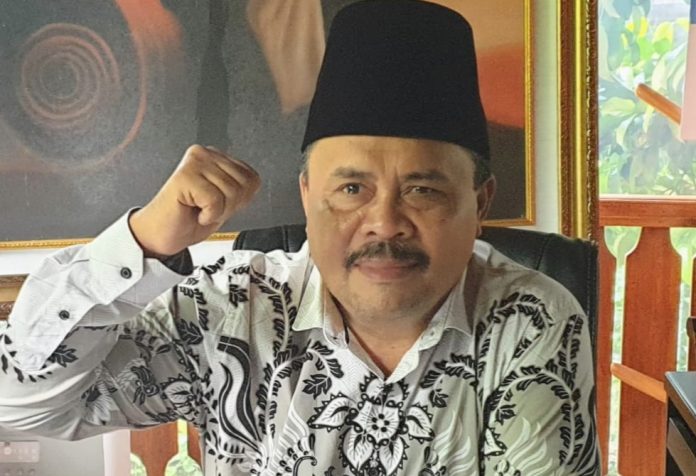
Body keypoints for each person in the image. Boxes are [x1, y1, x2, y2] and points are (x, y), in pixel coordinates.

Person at [0, 1, 599, 474]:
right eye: (351, 189)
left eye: (423, 190)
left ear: (480, 203)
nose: (384, 222)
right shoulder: (231, 310)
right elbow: (20, 405)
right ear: (308, 196)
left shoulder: (528, 319)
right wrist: (143, 245)